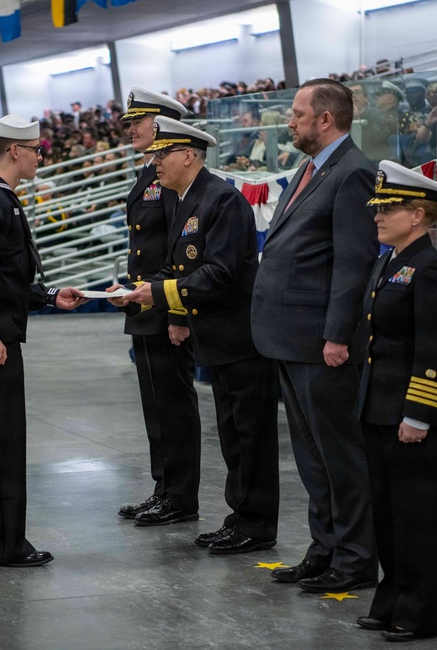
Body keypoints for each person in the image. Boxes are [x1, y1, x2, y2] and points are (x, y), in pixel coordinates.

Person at [123, 117, 280, 555]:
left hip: (241, 337)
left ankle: (256, 523)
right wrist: (155, 297)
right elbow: (181, 267)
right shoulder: (184, 200)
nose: (155, 163)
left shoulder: (222, 200)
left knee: (251, 436)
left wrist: (157, 293)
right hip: (217, 339)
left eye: (162, 154)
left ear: (188, 155)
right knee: (233, 434)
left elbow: (220, 273)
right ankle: (241, 517)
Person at [250, 78, 379, 591]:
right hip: (290, 338)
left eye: (298, 113)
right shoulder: (310, 170)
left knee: (338, 456)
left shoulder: (352, 174)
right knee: (310, 454)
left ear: (325, 119)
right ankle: (324, 547)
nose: (291, 121)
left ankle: (354, 559)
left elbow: (354, 264)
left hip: (322, 343)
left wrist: (337, 335)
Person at [0, 115, 87, 567]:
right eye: (35, 147)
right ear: (14, 150)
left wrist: (47, 295)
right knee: (0, 444)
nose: (40, 155)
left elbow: (4, 278)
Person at [354, 161, 437, 642]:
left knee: (417, 519)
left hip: (413, 415)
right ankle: (392, 596)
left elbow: (434, 351)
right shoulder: (390, 261)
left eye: (388, 208)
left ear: (418, 214)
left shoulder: (432, 269)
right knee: (388, 515)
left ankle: (422, 610)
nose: (378, 216)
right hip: (380, 409)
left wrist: (418, 413)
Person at [106, 88, 202, 526]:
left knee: (173, 406)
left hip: (166, 307)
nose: (131, 129)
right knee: (155, 406)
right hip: (145, 304)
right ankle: (163, 488)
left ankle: (180, 497)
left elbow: (182, 249)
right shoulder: (150, 172)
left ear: (163, 124)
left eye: (138, 121)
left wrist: (179, 313)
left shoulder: (171, 177)